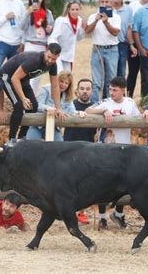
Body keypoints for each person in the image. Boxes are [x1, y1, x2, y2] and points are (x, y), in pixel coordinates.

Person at [87, 77, 141, 230]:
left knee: (124, 184)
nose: (112, 93)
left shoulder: (130, 103)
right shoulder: (105, 102)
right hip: (106, 150)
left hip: (124, 150)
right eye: (110, 89)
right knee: (104, 184)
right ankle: (102, 217)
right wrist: (103, 111)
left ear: (123, 90)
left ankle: (118, 213)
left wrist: (147, 115)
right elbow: (88, 110)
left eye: (115, 90)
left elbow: (139, 120)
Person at [0, 43, 64, 147]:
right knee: (19, 105)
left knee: (34, 106)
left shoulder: (52, 65)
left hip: (23, 80)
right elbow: (14, 78)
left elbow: (55, 86)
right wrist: (23, 98)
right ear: (46, 50)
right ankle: (11, 139)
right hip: (8, 77)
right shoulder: (34, 60)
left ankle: (21, 137)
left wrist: (58, 108)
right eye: (49, 57)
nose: (50, 61)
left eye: (54, 59)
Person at [62, 78, 97, 225]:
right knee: (67, 182)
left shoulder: (96, 107)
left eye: (88, 89)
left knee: (85, 183)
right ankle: (67, 212)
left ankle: (81, 212)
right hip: (68, 149)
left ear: (92, 91)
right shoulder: (70, 105)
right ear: (77, 90)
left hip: (88, 150)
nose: (85, 91)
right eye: (82, 88)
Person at [27, 70, 84, 141]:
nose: (63, 85)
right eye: (61, 81)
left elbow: (71, 110)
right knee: (31, 144)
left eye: (66, 83)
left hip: (54, 126)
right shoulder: (46, 89)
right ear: (57, 80)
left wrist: (79, 113)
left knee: (59, 146)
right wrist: (48, 108)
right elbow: (37, 105)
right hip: (38, 125)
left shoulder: (67, 96)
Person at [86, 0, 121, 102]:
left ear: (111, 3)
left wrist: (106, 23)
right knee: (96, 81)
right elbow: (87, 31)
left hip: (112, 50)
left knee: (110, 80)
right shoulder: (93, 16)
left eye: (107, 2)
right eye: (102, 2)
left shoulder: (115, 17)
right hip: (97, 49)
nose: (105, 4)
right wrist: (96, 20)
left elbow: (115, 33)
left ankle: (109, 103)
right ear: (99, 3)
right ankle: (95, 105)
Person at [20, 0, 54, 93]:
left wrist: (50, 29)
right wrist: (28, 13)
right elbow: (21, 26)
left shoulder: (47, 13)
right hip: (30, 44)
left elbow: (52, 29)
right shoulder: (28, 11)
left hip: (42, 45)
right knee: (28, 72)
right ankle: (25, 97)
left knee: (38, 74)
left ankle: (32, 96)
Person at [126, 0, 148, 98]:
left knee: (146, 74)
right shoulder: (133, 6)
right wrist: (132, 44)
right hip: (135, 44)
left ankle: (144, 99)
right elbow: (129, 27)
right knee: (132, 72)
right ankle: (128, 97)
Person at [48, 0, 86, 72]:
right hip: (57, 54)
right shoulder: (61, 20)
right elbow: (53, 37)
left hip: (69, 55)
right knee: (59, 76)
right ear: (68, 10)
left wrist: (83, 29)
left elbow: (79, 38)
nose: (75, 11)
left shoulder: (79, 21)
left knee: (66, 79)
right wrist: (55, 50)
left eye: (77, 9)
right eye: (72, 9)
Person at [111, 0, 137, 79]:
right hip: (109, 44)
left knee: (121, 72)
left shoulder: (128, 10)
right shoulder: (107, 8)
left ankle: (121, 93)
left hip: (122, 44)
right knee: (110, 72)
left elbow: (128, 28)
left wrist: (131, 44)